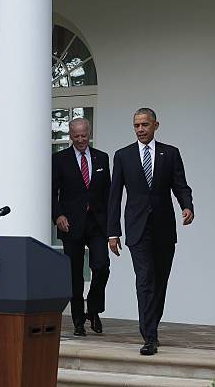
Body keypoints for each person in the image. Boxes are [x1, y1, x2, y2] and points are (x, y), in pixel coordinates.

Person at [108, 107, 194, 355]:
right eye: (136, 125)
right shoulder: (123, 156)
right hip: (137, 229)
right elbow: (114, 197)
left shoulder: (170, 153)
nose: (140, 130)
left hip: (164, 229)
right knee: (144, 280)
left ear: (156, 125)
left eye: (145, 125)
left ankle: (151, 325)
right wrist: (112, 232)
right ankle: (149, 337)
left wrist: (187, 207)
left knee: (159, 282)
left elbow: (181, 185)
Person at [52, 118, 111, 336]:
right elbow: (52, 191)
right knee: (74, 274)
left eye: (83, 135)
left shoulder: (102, 158)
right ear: (70, 135)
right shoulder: (59, 159)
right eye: (75, 136)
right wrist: (57, 215)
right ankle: (78, 320)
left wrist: (112, 225)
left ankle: (93, 310)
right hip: (71, 224)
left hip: (97, 223)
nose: (80, 140)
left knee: (102, 266)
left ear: (89, 133)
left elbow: (108, 194)